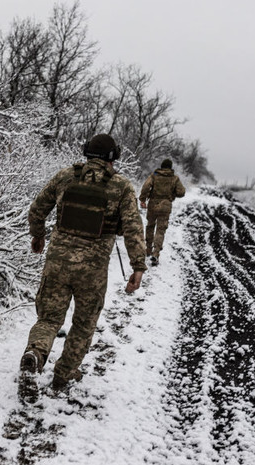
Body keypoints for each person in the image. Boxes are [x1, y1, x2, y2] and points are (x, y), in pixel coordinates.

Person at [20, 134, 147, 393]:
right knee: (84, 323)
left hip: (57, 263)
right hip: (93, 271)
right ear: (114, 158)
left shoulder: (65, 176)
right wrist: (138, 266)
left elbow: (37, 209)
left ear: (87, 152)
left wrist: (38, 235)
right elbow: (133, 229)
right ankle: (63, 375)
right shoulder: (121, 186)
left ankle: (35, 354)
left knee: (48, 318)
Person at [138, 159, 186, 266]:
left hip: (153, 204)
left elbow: (146, 187)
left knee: (150, 226)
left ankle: (148, 249)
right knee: (161, 230)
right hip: (165, 206)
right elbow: (181, 192)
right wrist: (172, 194)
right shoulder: (175, 178)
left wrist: (142, 199)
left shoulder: (154, 175)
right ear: (170, 167)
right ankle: (156, 253)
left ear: (161, 166)